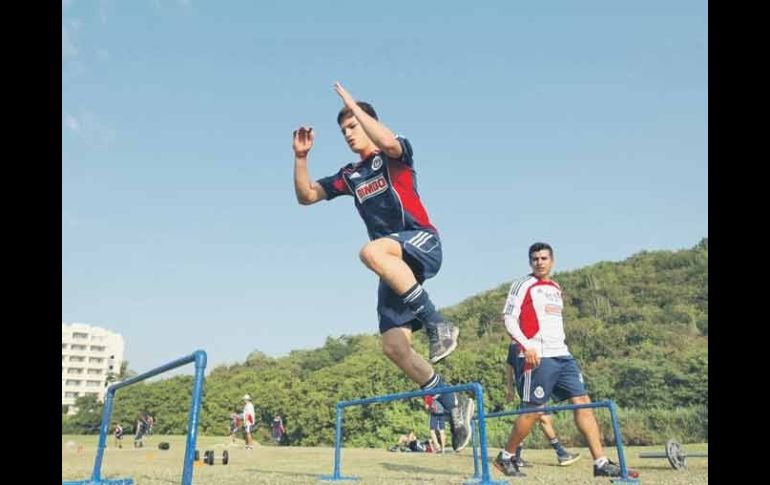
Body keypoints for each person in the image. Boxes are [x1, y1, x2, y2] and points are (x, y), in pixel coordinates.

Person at [292, 81, 473, 451]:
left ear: (369, 121)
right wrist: (301, 157)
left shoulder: (395, 153)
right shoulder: (350, 175)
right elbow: (307, 197)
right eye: (343, 130)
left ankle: (438, 323)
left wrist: (353, 105)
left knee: (371, 253)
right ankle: (452, 401)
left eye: (354, 125)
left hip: (420, 240)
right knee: (393, 346)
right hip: (393, 263)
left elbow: (388, 141)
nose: (348, 133)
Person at [493, 242, 639, 479]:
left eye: (544, 258)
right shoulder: (523, 285)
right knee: (534, 410)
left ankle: (600, 463)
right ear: (530, 262)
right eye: (535, 259)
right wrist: (526, 345)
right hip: (538, 356)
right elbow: (509, 318)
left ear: (552, 261)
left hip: (563, 355)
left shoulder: (555, 286)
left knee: (583, 402)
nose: (539, 262)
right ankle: (506, 457)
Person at [505, 341, 580, 467]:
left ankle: (517, 456)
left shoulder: (533, 340)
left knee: (542, 417)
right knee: (539, 417)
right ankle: (560, 453)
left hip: (536, 383)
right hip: (529, 384)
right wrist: (510, 387)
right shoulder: (517, 344)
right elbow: (509, 365)